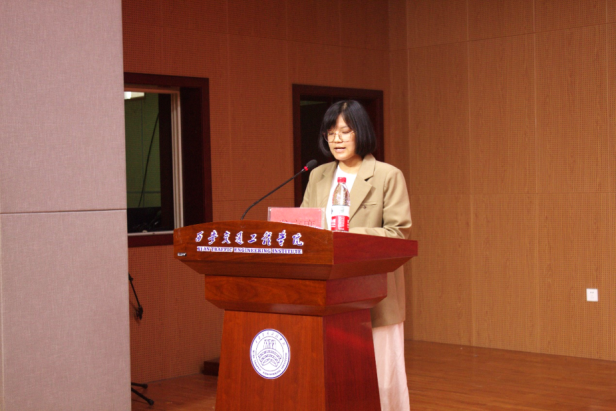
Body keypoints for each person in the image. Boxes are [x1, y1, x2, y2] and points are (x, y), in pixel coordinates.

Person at [300, 100, 412, 411]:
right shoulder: (318, 175)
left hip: (375, 292)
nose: (336, 139)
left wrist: (346, 235)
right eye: (330, 132)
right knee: (337, 376)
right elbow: (306, 227)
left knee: (382, 379)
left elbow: (398, 234)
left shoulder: (388, 175)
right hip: (329, 293)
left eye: (345, 131)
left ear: (360, 132)